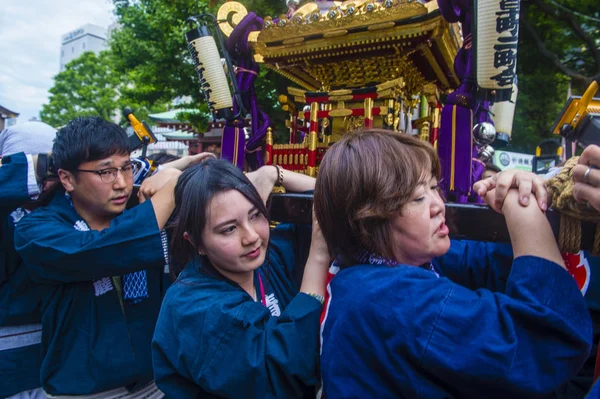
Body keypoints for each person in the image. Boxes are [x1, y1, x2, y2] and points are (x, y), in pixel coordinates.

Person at [315, 129, 593, 399]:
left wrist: (509, 187)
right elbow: (544, 344)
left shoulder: (376, 270)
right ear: (370, 221)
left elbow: (483, 261)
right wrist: (523, 207)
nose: (438, 205)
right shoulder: (395, 298)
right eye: (418, 198)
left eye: (434, 188)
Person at [14, 117, 213, 398]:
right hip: (86, 392)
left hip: (155, 383)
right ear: (67, 178)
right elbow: (100, 249)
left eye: (126, 168)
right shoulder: (36, 230)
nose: (121, 183)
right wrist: (171, 188)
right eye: (106, 172)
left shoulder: (139, 210)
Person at [151, 159, 329, 398]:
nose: (251, 236)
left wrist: (273, 173)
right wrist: (317, 259)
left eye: (255, 215)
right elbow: (281, 373)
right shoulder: (194, 307)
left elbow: (332, 201)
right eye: (229, 229)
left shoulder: (269, 258)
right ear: (196, 242)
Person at [0, 122, 57, 399]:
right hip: (11, 361)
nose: (47, 179)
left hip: (60, 356)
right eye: (39, 167)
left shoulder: (65, 208)